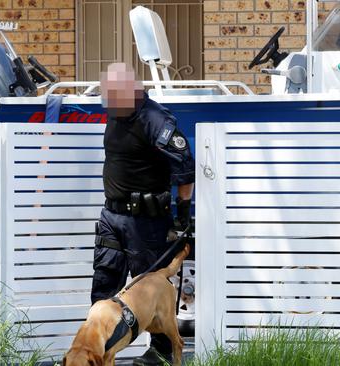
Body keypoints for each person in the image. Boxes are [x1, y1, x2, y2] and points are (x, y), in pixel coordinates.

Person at [92, 63, 195, 365]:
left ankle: (161, 352)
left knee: (149, 288)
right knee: (104, 285)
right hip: (112, 217)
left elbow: (184, 164)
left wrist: (183, 212)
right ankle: (98, 350)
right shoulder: (115, 113)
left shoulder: (154, 118)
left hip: (146, 222)